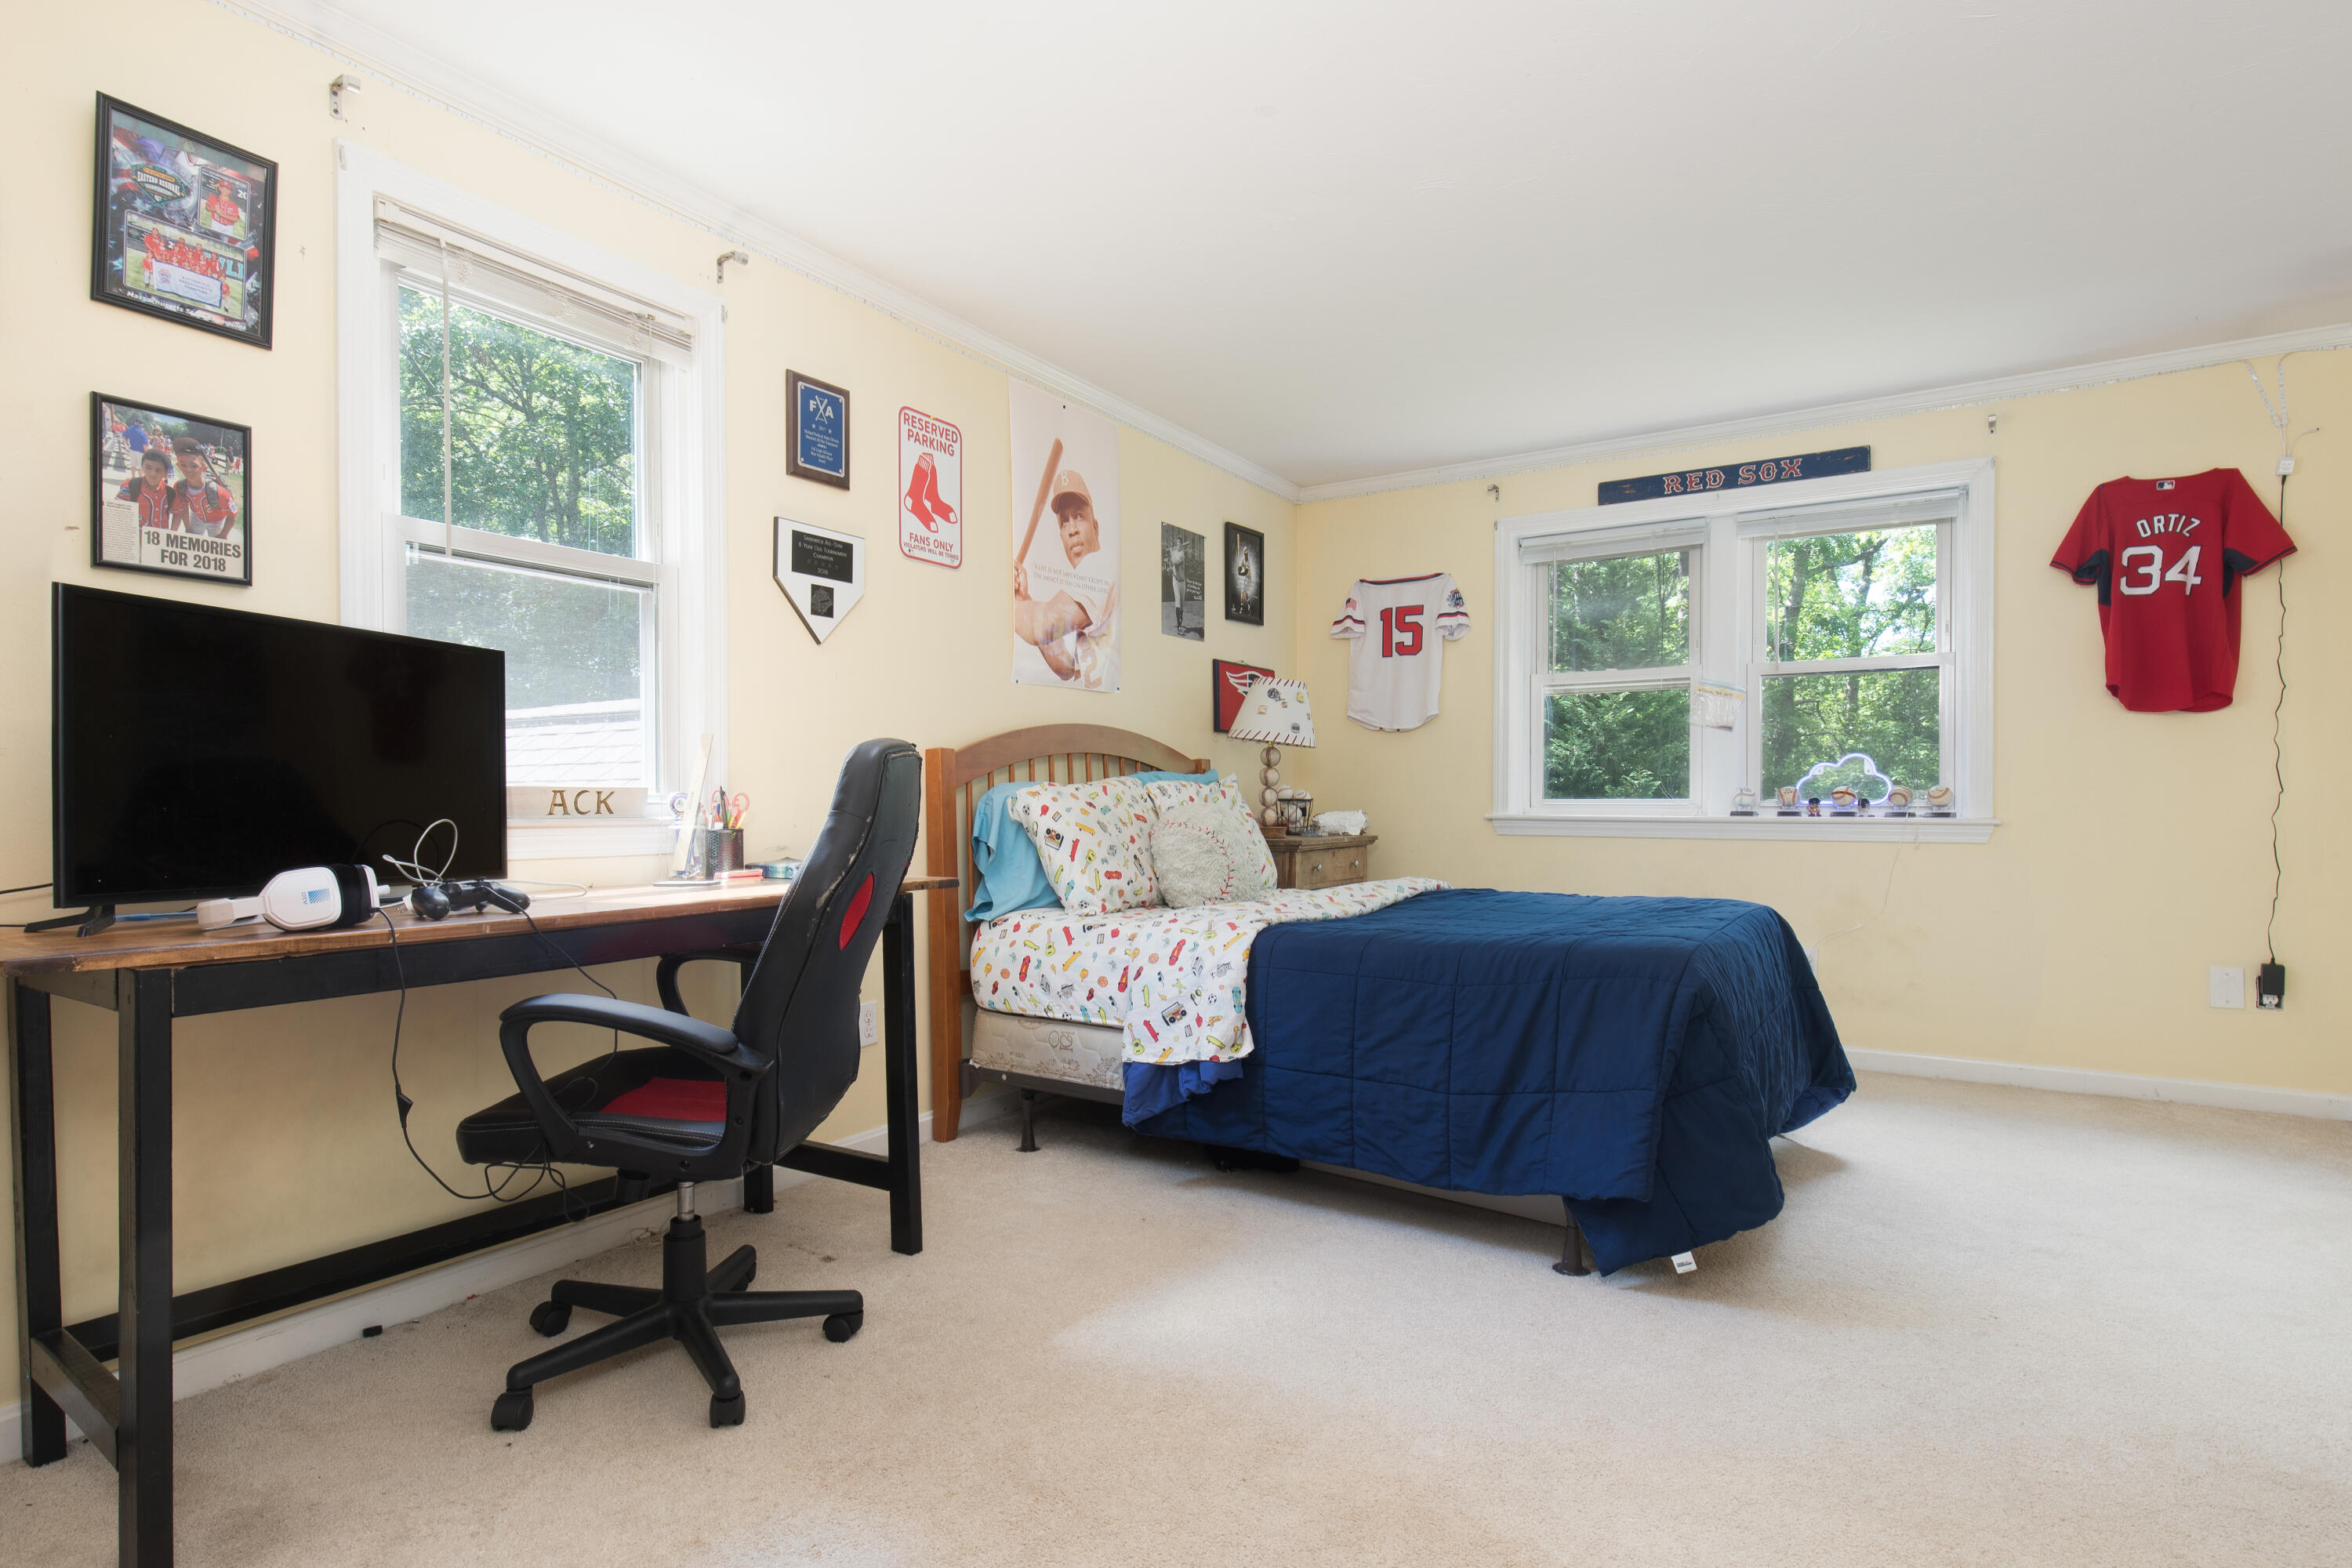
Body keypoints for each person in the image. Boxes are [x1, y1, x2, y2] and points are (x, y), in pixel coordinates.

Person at [1014, 469, 1117, 687]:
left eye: (1079, 516)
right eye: (1064, 521)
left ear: (1095, 528)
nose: (1072, 530)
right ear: (1061, 535)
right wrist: (1023, 599)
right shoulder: (1086, 601)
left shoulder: (1099, 565)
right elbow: (1065, 665)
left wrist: (1003, 596)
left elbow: (1043, 626)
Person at [169, 436, 239, 539]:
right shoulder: (180, 487)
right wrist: (188, 528)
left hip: (216, 520)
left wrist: (223, 534)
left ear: (204, 468)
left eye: (194, 466)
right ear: (178, 466)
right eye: (183, 465)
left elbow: (232, 515)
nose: (188, 470)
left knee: (215, 543)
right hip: (197, 517)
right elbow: (182, 509)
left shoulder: (218, 491)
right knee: (193, 541)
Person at [115, 447, 174, 531]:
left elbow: (178, 513)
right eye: (148, 468)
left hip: (161, 537)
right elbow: (116, 512)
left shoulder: (170, 493)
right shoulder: (131, 487)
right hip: (135, 536)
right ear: (142, 467)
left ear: (166, 473)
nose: (152, 474)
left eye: (158, 470)